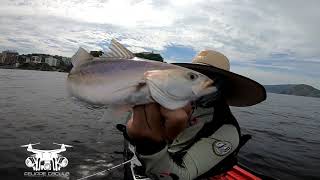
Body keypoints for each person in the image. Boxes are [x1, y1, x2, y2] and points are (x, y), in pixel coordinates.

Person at [123, 50, 266, 180]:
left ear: (222, 86)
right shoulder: (170, 104)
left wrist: (151, 146)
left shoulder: (226, 130)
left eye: (209, 79)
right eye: (190, 76)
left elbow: (179, 176)